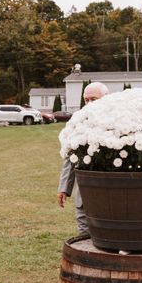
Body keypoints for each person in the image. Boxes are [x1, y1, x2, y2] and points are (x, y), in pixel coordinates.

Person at [57, 82, 110, 234]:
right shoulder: (77, 122)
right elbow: (70, 156)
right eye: (86, 100)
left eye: (94, 99)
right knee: (84, 237)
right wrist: (64, 188)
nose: (89, 103)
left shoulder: (118, 123)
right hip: (84, 194)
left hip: (110, 195)